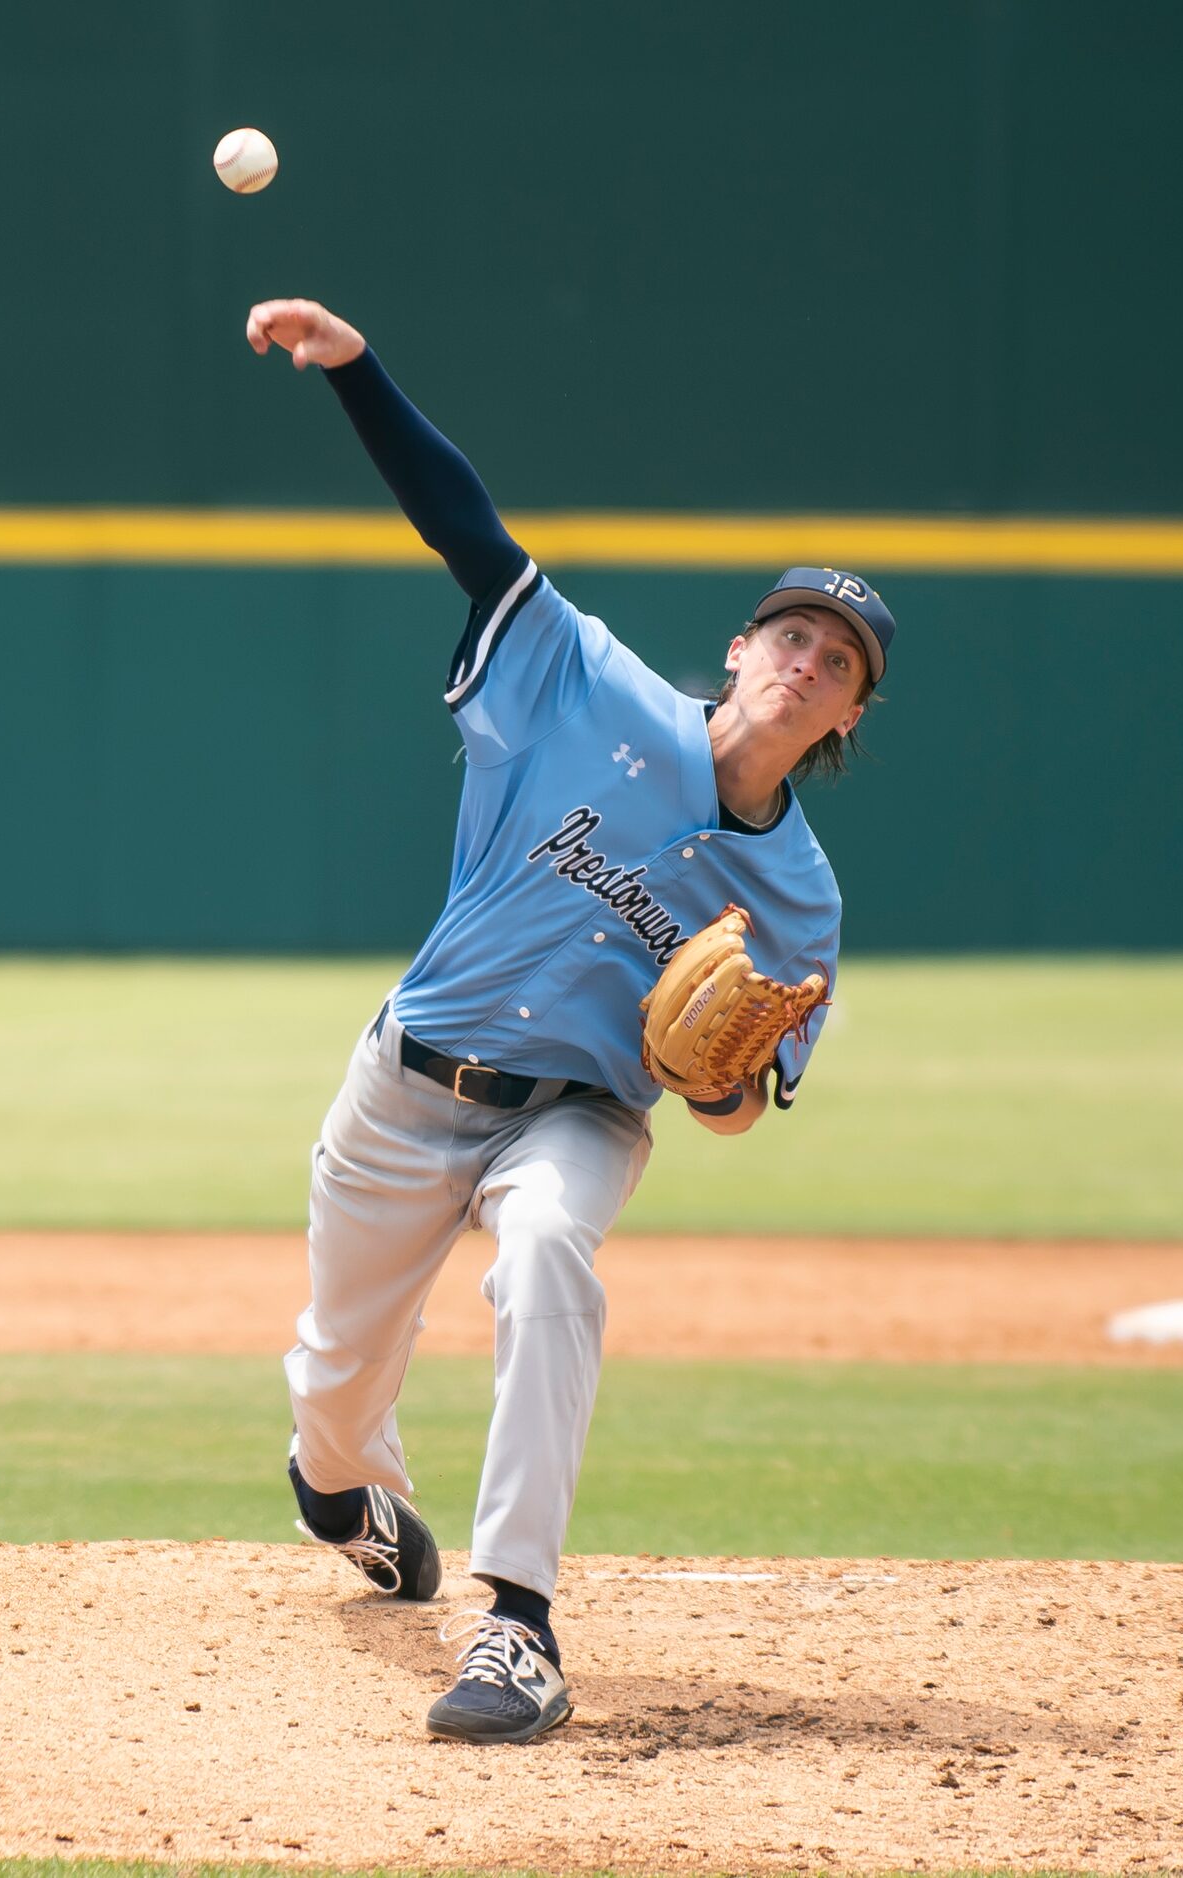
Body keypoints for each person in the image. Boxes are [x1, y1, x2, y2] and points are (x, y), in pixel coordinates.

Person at [247, 297, 897, 1745]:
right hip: (405, 1089)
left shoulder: (797, 896)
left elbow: (740, 1106)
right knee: (336, 1391)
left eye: (836, 662)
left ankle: (518, 1628)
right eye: (790, 633)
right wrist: (359, 374)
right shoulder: (580, 682)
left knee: (546, 1254)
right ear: (737, 649)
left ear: (843, 718)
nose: (805, 661)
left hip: (582, 1117)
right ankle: (342, 1489)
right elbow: (462, 527)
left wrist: (708, 1081)